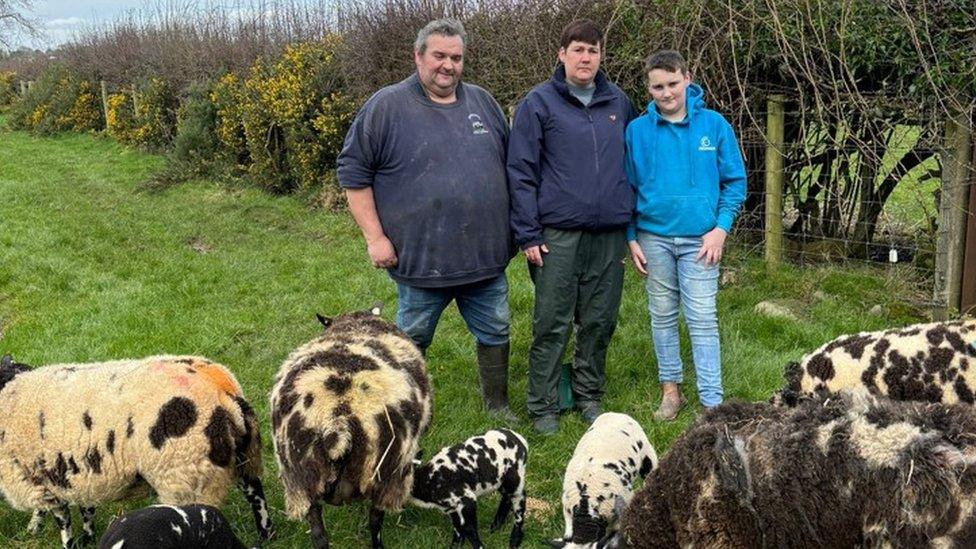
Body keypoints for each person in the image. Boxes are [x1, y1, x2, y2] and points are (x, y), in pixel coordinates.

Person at [337, 19, 516, 421]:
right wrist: (374, 238)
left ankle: (497, 404)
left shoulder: (483, 103)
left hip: (484, 259)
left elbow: (511, 167)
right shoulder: (386, 106)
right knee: (410, 341)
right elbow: (353, 175)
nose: (448, 65)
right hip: (420, 262)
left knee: (496, 330)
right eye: (439, 56)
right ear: (418, 56)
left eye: (456, 58)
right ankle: (406, 409)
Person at [507, 19, 637, 434]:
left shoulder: (618, 102)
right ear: (561, 54)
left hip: (609, 234)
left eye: (593, 50)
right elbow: (521, 171)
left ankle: (588, 394)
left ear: (602, 56)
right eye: (578, 49)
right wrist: (528, 232)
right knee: (553, 321)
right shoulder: (539, 103)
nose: (586, 58)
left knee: (600, 319)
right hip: (556, 235)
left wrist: (632, 225)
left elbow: (634, 164)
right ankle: (542, 405)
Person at [625, 50, 747, 421]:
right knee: (661, 315)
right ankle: (671, 391)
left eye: (673, 84)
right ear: (648, 88)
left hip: (701, 241)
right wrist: (631, 236)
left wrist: (721, 229)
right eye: (658, 86)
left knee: (702, 317)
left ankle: (712, 402)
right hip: (653, 239)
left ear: (687, 79)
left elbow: (735, 182)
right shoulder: (637, 132)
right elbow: (625, 188)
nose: (666, 93)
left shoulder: (714, 126)